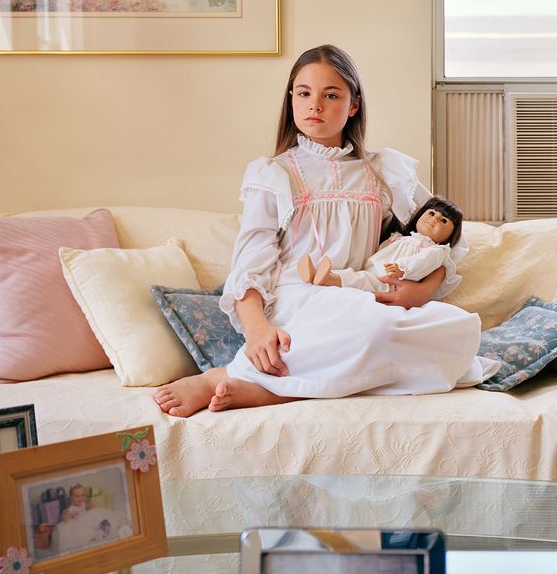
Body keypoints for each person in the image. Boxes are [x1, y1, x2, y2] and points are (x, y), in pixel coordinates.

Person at [153, 44, 498, 417]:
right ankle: (231, 377)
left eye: (330, 95)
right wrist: (256, 330)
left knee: (456, 329)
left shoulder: (383, 171)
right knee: (369, 331)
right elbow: (252, 259)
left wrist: (422, 290)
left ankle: (280, 388)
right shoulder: (274, 174)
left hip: (359, 297)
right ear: (292, 100)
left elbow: (448, 232)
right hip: (298, 299)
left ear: (353, 105)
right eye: (304, 94)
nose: (314, 105)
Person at [298, 195, 464, 296]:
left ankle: (327, 278)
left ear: (451, 234)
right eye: (432, 213)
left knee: (361, 280)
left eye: (443, 221)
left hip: (393, 281)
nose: (434, 219)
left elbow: (422, 263)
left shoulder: (435, 251)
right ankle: (316, 273)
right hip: (377, 271)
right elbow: (382, 251)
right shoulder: (402, 238)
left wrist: (403, 269)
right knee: (357, 275)